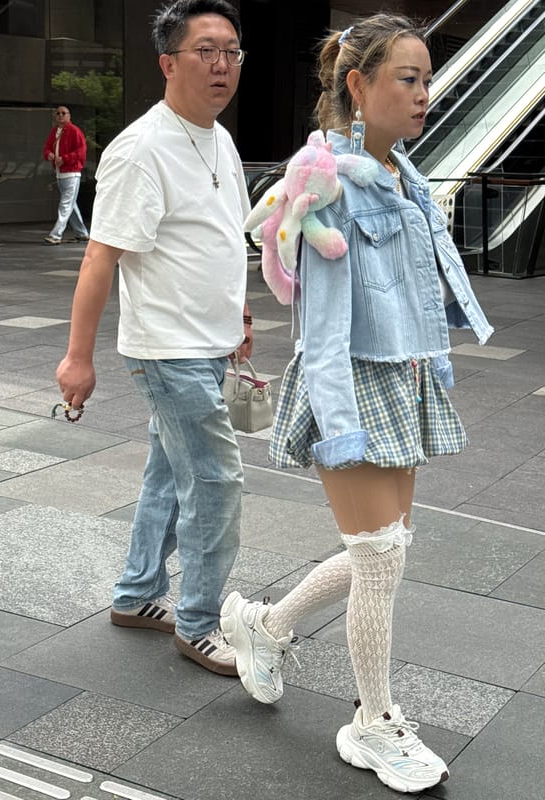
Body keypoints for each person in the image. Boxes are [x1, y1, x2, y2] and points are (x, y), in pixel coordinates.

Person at [220, 13, 493, 794]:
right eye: (407, 79)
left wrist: (434, 360)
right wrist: (337, 427)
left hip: (398, 375)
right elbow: (325, 326)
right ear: (357, 85)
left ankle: (265, 628)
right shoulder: (326, 183)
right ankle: (372, 723)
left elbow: (416, 288)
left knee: (387, 550)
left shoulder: (404, 173)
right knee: (380, 559)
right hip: (350, 383)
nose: (423, 95)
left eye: (427, 79)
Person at [55, 0, 252, 676]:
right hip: (166, 351)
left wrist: (238, 319)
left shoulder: (219, 136)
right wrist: (78, 358)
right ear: (169, 62)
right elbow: (99, 257)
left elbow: (217, 242)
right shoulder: (142, 149)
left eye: (231, 49)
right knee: (218, 480)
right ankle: (198, 623)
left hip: (204, 342)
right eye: (206, 50)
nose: (223, 63)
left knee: (170, 473)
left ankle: (138, 595)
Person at [43, 106, 90, 244]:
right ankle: (82, 233)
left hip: (71, 173)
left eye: (63, 113)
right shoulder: (55, 131)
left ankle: (56, 235)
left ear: (69, 116)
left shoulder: (74, 131)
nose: (60, 116)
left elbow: (81, 152)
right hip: (60, 174)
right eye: (58, 113)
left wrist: (64, 158)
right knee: (70, 204)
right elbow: (46, 148)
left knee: (65, 204)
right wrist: (49, 155)